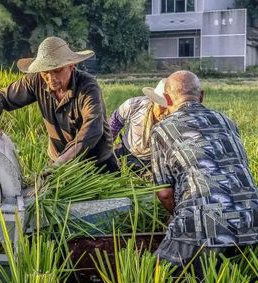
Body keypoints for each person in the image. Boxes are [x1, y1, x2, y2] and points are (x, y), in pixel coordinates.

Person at [151, 70, 258, 266]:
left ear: (166, 99)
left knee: (158, 275)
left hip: (201, 222)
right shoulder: (227, 121)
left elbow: (164, 193)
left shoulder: (162, 129)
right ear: (201, 95)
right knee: (236, 273)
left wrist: (176, 217)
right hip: (252, 218)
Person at [0, 36, 118, 173]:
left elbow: (92, 130)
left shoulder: (88, 87)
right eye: (45, 72)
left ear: (71, 66)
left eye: (57, 71)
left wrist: (60, 164)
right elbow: (0, 97)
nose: (51, 78)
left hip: (95, 165)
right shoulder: (35, 81)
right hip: (59, 163)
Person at [109, 79, 167, 173]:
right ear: (153, 100)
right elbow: (113, 125)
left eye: (168, 108)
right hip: (126, 153)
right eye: (162, 106)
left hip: (154, 162)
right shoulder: (134, 105)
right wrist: (108, 150)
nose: (165, 112)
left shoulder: (176, 118)